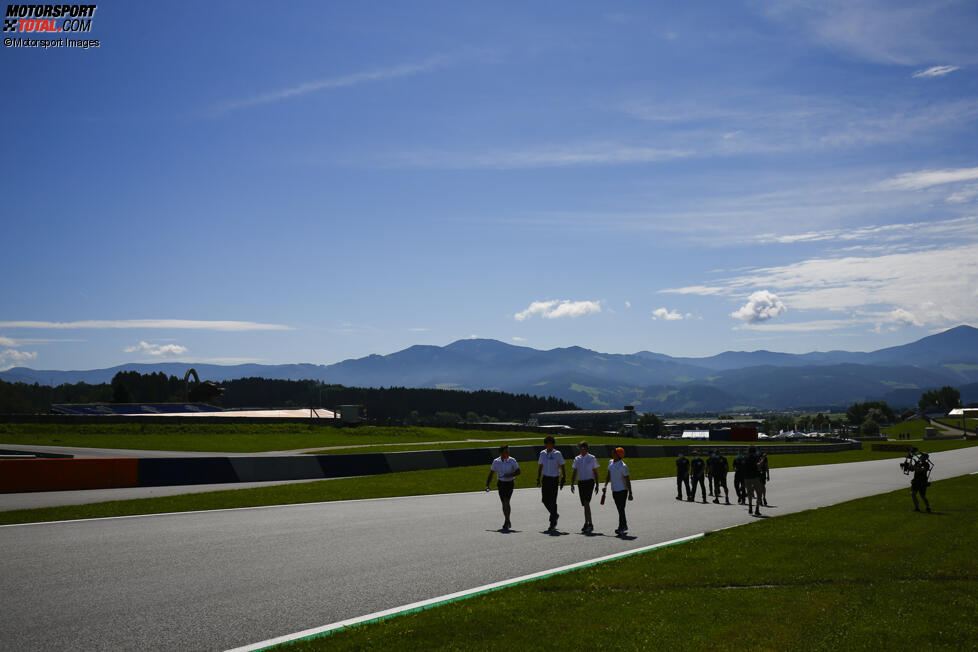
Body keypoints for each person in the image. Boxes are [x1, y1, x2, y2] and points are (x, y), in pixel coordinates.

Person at [485, 444, 521, 530]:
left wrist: (510, 475)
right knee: (503, 503)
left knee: (506, 501)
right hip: (501, 484)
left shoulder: (512, 460)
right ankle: (507, 520)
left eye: (508, 451)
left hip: (509, 483)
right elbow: (491, 473)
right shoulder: (496, 461)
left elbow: (519, 471)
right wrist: (487, 485)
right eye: (506, 452)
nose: (507, 453)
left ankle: (507, 521)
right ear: (501, 453)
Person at [536, 435, 566, 531]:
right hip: (545, 479)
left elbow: (562, 465)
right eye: (546, 443)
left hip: (554, 479)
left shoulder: (557, 453)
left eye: (550, 443)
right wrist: (538, 478)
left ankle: (552, 522)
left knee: (553, 500)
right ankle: (555, 514)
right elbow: (540, 466)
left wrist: (563, 477)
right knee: (545, 500)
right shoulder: (542, 453)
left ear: (553, 444)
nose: (548, 444)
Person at [570, 440, 600, 532]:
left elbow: (595, 472)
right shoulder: (577, 459)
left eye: (582, 448)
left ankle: (590, 524)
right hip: (581, 483)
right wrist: (572, 484)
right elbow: (574, 471)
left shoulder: (592, 458)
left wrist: (597, 484)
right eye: (579, 448)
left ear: (586, 449)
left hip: (589, 482)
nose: (581, 450)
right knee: (585, 504)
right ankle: (586, 523)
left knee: (586, 503)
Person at [602, 446, 633, 536]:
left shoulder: (623, 466)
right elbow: (608, 475)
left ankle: (622, 527)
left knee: (621, 509)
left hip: (622, 490)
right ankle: (624, 526)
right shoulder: (610, 462)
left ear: (618, 455)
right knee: (620, 509)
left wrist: (630, 493)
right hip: (614, 490)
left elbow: (627, 480)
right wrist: (605, 485)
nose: (612, 453)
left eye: (614, 452)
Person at [742, 445, 763, 516]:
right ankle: (757, 509)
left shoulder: (745, 458)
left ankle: (750, 506)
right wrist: (762, 460)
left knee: (749, 492)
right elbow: (758, 465)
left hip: (747, 477)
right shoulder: (756, 457)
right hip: (754, 476)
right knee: (759, 493)